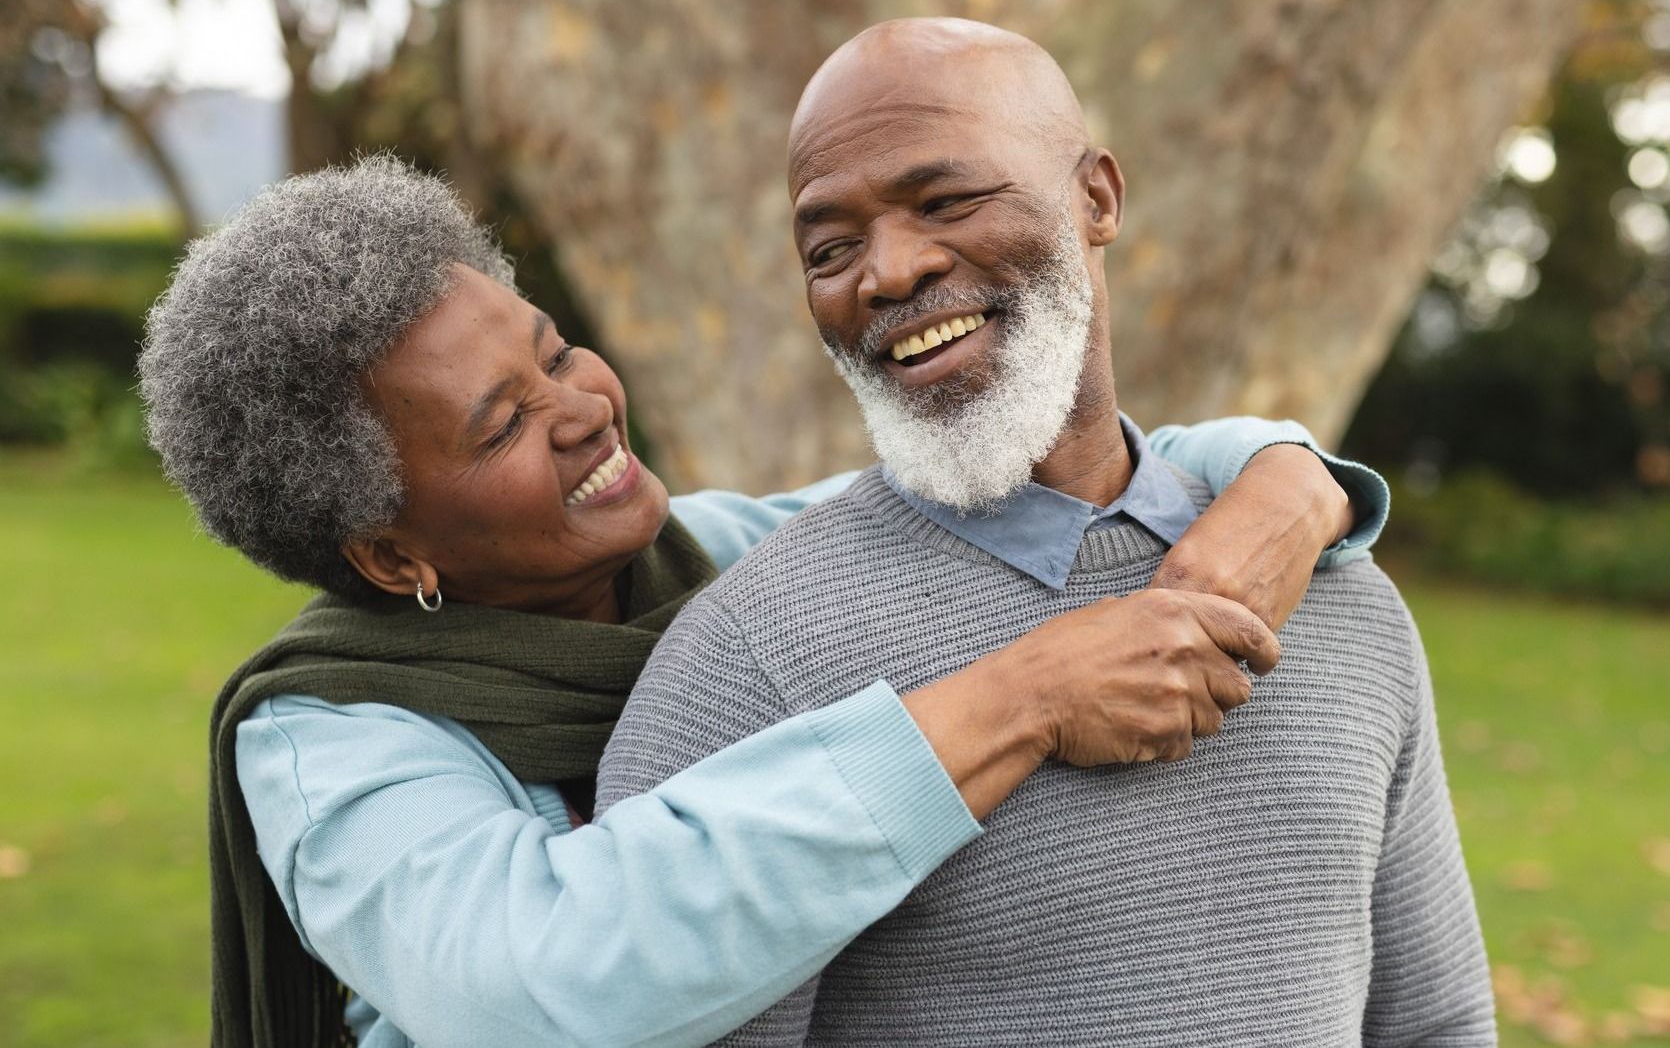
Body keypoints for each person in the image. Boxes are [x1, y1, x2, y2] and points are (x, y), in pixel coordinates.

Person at [135, 155, 1390, 1047]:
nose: (582, 406)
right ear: (388, 555)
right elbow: (546, 987)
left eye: (554, 348)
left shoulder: (732, 562)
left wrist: (1290, 481)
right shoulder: (334, 746)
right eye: (504, 423)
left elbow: (1075, 467)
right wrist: (1025, 697)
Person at [597, 17, 1491, 1047]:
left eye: (945, 200)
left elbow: (1436, 1023)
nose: (886, 274)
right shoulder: (743, 661)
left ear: (1097, 197)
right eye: (830, 248)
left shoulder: (1342, 601)